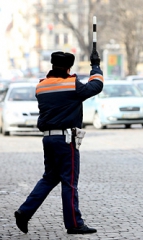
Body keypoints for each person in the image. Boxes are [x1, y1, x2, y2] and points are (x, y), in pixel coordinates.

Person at [14, 50, 104, 234]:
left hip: (48, 138)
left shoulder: (41, 86)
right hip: (65, 140)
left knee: (49, 178)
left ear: (52, 65)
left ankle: (24, 212)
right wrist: (95, 65)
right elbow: (96, 86)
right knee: (69, 182)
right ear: (69, 68)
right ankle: (74, 223)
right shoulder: (71, 85)